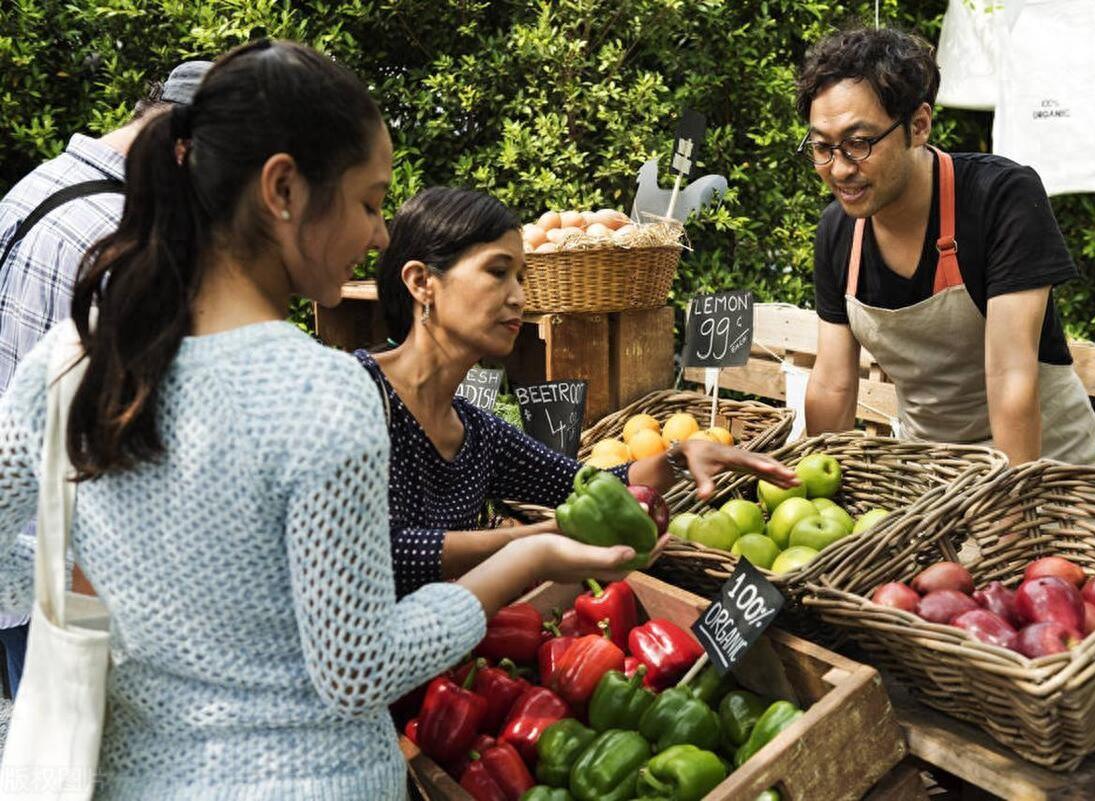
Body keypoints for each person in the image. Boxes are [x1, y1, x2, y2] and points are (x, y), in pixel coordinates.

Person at [0, 39, 634, 800]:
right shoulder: (322, 395)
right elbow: (357, 669)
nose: (377, 235)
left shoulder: (75, 356)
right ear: (283, 190)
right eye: (370, 202)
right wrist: (528, 562)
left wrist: (97, 607)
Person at [362, 186, 798, 596]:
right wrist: (536, 543)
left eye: (521, 277)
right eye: (498, 272)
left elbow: (588, 485)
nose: (519, 296)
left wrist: (679, 458)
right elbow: (377, 552)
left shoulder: (476, 434)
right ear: (421, 282)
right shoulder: (355, 393)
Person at [0, 59, 211, 700]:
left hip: (20, 561)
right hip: (74, 581)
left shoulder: (36, 187)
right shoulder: (125, 241)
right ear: (187, 150)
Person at [798, 28, 1095, 467]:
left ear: (919, 125)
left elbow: (1010, 378)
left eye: (859, 143)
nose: (840, 169)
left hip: (1043, 468)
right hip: (930, 476)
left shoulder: (1000, 197)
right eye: (823, 147)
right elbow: (832, 384)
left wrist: (1011, 516)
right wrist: (814, 493)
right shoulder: (838, 232)